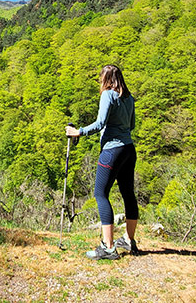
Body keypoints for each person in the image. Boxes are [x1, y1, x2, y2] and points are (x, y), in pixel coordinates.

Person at [66, 64, 140, 260]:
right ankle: (129, 240)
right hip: (128, 150)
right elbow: (131, 125)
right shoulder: (129, 98)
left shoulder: (108, 95)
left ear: (105, 79)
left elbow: (100, 123)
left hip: (112, 151)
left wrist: (78, 131)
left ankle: (108, 247)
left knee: (100, 194)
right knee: (128, 194)